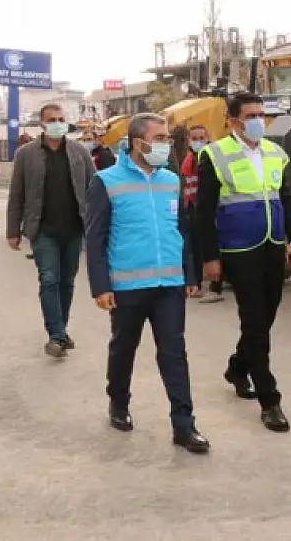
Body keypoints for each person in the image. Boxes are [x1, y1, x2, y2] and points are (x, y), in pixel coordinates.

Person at [85, 113, 209, 454]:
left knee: (174, 353)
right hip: (126, 285)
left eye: (167, 138)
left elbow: (181, 230)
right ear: (138, 142)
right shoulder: (106, 181)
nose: (165, 145)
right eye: (160, 138)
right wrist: (100, 286)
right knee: (123, 348)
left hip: (169, 283)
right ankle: (119, 402)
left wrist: (190, 274)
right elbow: (95, 238)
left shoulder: (171, 180)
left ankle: (184, 425)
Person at [197, 92, 291, 431]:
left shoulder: (275, 152)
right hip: (239, 249)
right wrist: (209, 256)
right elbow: (204, 212)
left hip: (273, 246)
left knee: (264, 319)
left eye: (262, 114)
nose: (259, 121)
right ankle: (270, 400)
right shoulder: (214, 155)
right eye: (251, 115)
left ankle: (238, 367)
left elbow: (285, 198)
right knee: (256, 322)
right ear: (232, 121)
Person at [7, 104, 96, 358]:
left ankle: (60, 329)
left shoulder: (80, 152)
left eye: (61, 119)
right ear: (42, 124)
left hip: (74, 228)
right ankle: (56, 336)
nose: (58, 123)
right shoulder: (26, 154)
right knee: (49, 279)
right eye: (52, 119)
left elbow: (94, 189)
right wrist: (13, 230)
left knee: (67, 282)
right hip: (43, 229)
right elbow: (17, 194)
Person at [181, 125, 223, 304]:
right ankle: (196, 283)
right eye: (194, 138)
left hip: (207, 207)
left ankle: (215, 286)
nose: (198, 141)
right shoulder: (189, 158)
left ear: (208, 137)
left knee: (211, 245)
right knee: (194, 247)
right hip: (192, 206)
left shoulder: (212, 157)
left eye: (201, 137)